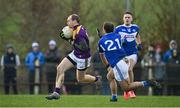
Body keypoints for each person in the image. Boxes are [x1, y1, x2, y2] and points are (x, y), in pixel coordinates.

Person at [98, 22, 160, 101]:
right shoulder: (118, 36)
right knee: (109, 76)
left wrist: (107, 66)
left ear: (104, 30)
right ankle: (114, 97)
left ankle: (148, 83)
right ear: (113, 29)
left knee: (126, 88)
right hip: (124, 60)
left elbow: (102, 55)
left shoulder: (101, 41)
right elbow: (118, 44)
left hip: (118, 64)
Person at [46, 14, 101, 100]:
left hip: (83, 58)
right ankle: (56, 92)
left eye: (69, 20)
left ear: (74, 21)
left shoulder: (79, 33)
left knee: (80, 79)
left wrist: (71, 41)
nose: (67, 22)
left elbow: (84, 47)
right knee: (60, 68)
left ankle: (96, 79)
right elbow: (75, 41)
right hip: (75, 54)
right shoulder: (75, 29)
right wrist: (69, 39)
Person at [107, 11, 143, 101]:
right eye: (125, 17)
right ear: (123, 19)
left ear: (131, 19)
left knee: (130, 69)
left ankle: (130, 90)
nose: (127, 19)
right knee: (115, 74)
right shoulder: (118, 28)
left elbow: (138, 36)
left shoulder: (135, 27)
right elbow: (113, 38)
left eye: (129, 17)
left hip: (133, 53)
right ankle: (126, 89)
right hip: (122, 55)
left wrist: (139, 44)